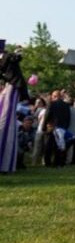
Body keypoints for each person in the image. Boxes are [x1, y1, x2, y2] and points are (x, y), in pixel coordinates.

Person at [0, 41, 29, 173]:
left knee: (6, 118)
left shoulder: (6, 56)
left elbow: (15, 58)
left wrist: (17, 52)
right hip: (13, 85)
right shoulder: (7, 57)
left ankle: (5, 163)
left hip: (14, 86)